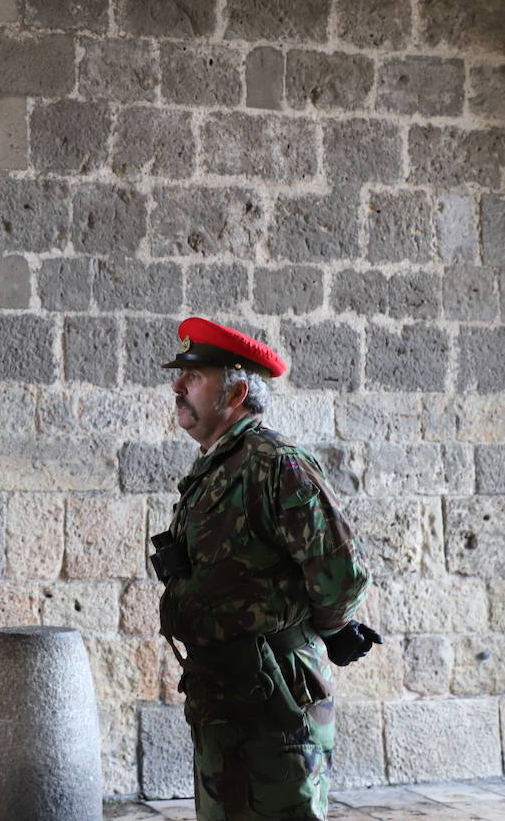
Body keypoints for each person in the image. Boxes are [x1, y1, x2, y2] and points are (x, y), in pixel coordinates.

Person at [151, 316, 379, 821]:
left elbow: (342, 573)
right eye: (180, 375)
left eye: (195, 376)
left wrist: (327, 631)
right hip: (223, 696)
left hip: (275, 702)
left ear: (235, 392)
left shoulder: (277, 464)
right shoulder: (215, 467)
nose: (177, 386)